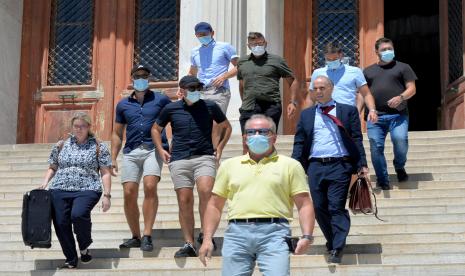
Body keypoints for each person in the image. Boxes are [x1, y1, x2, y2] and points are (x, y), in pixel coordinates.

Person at [199, 114, 315, 276]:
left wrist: (307, 236)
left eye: (263, 132)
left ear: (274, 137)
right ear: (245, 138)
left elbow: (304, 204)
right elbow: (214, 205)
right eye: (251, 132)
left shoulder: (291, 166)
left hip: (275, 234)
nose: (257, 136)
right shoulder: (229, 166)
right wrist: (207, 238)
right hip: (236, 235)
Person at [151, 75, 232, 258]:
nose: (195, 91)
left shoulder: (210, 106)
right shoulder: (171, 108)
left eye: (197, 87)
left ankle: (206, 235)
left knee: (206, 191)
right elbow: (156, 129)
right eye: (191, 88)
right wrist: (161, 149)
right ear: (182, 90)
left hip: (204, 156)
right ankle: (189, 243)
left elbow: (227, 127)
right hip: (179, 158)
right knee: (184, 200)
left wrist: (219, 148)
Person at [292, 76, 368, 264]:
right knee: (319, 208)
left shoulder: (348, 111)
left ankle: (337, 246)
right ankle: (332, 240)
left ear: (331, 88)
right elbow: (300, 140)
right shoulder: (307, 115)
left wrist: (362, 164)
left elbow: (356, 138)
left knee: (335, 206)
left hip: (340, 166)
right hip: (315, 166)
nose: (319, 91)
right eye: (315, 88)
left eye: (322, 87)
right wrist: (294, 164)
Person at [39, 112, 112, 269]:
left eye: (82, 126)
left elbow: (105, 173)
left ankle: (84, 246)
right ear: (72, 127)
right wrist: (45, 183)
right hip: (59, 188)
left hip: (88, 188)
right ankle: (71, 258)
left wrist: (107, 195)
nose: (79, 129)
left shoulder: (99, 146)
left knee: (78, 215)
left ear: (89, 127)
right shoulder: (61, 145)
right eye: (76, 126)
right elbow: (53, 167)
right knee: (60, 223)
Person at [111, 65, 172, 251]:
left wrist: (174, 143)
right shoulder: (123, 104)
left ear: (149, 79)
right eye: (137, 76)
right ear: (132, 79)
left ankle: (147, 235)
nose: (141, 79)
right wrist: (113, 157)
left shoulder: (161, 100)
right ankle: (135, 235)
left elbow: (176, 117)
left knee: (150, 185)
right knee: (129, 192)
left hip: (153, 149)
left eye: (144, 76)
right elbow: (117, 133)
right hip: (131, 151)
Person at [363, 37, 417, 190]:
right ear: (376, 52)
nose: (387, 52)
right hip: (375, 117)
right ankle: (382, 178)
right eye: (384, 49)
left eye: (390, 49)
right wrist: (357, 113)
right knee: (375, 147)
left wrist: (401, 97)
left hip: (398, 115)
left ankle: (399, 166)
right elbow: (362, 94)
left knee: (400, 140)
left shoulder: (403, 67)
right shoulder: (368, 71)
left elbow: (412, 89)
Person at [237, 32, 300, 133]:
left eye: (260, 43)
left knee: (268, 139)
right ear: (249, 46)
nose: (257, 46)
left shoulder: (277, 60)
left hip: (271, 106)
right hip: (249, 106)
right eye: (253, 44)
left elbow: (292, 81)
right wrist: (244, 102)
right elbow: (241, 84)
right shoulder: (242, 61)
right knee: (247, 139)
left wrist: (292, 102)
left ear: (265, 43)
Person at [188, 22, 238, 148]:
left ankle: (214, 153)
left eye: (205, 34)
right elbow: (192, 72)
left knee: (217, 122)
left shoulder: (225, 47)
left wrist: (224, 76)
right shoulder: (194, 51)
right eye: (199, 35)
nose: (202, 37)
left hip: (219, 91)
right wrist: (183, 87)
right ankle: (204, 151)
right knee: (201, 122)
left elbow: (240, 66)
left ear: (212, 33)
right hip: (200, 91)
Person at [309, 41, 378, 123]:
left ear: (341, 55)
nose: (331, 62)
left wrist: (372, 110)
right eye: (328, 59)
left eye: (335, 59)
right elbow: (311, 97)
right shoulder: (317, 73)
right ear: (324, 56)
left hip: (348, 116)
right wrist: (307, 115)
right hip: (323, 117)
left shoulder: (355, 71)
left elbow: (366, 94)